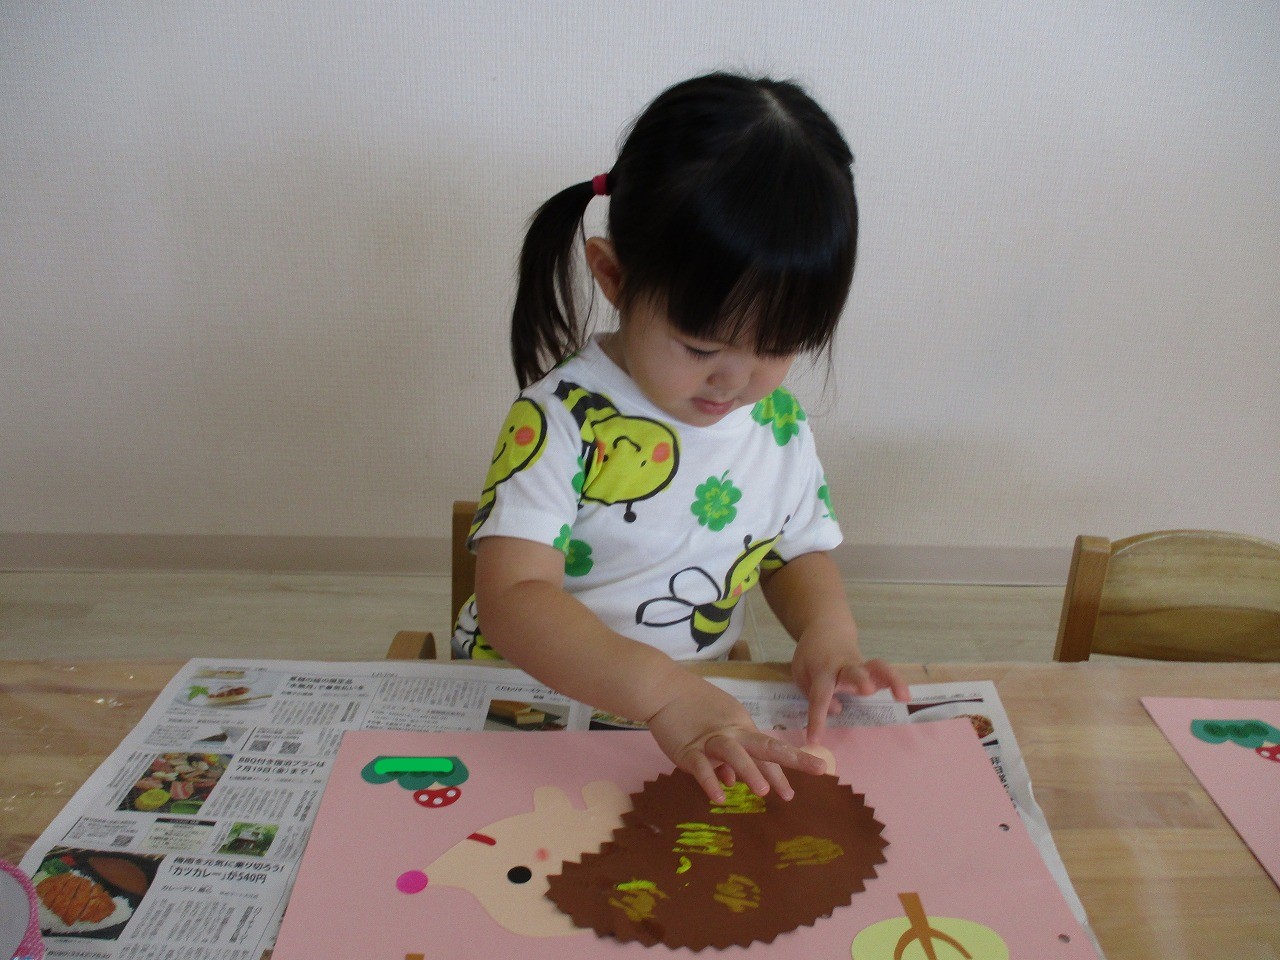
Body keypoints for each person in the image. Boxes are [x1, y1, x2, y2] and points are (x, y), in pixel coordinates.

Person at [453, 71, 909, 803]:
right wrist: (661, 692)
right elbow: (514, 598)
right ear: (613, 277)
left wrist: (828, 633)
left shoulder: (775, 424)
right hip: (535, 701)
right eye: (700, 347)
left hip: (695, 711)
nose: (735, 381)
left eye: (776, 348)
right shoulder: (564, 419)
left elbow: (793, 551)